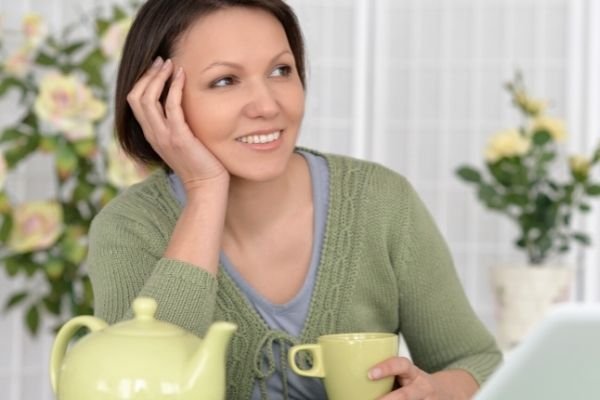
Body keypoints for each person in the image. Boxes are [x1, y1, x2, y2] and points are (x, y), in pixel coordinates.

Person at [87, 0, 502, 399]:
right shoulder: (129, 228)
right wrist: (205, 191)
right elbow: (141, 385)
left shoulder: (381, 201)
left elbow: (476, 360)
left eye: (281, 70)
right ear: (158, 102)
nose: (268, 105)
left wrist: (437, 391)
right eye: (225, 81)